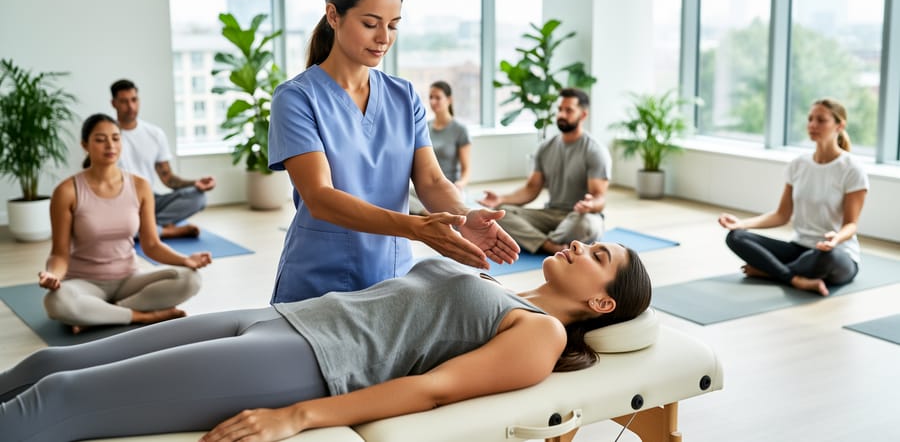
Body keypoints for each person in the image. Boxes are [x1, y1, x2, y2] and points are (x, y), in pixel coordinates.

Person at [0, 240, 651, 441]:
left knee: (63, 395)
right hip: (285, 317)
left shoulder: (539, 334)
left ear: (600, 301)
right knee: (51, 359)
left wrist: (295, 417)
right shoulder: (503, 284)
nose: (578, 242)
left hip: (307, 360)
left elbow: (429, 390)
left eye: (597, 253)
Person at [268, 0, 518, 303]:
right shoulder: (296, 98)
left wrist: (464, 215)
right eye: (370, 24)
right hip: (318, 277)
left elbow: (430, 181)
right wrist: (417, 228)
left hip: (391, 274)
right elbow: (320, 198)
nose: (384, 38)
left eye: (393, 25)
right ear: (333, 15)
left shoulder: (404, 96)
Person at [36, 113, 211, 334]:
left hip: (129, 280)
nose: (110, 145)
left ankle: (101, 315)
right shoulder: (67, 191)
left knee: (189, 279)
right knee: (56, 302)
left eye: (116, 138)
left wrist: (186, 260)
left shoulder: (139, 186)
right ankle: (143, 316)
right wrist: (53, 275)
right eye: (100, 139)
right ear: (85, 145)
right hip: (85, 282)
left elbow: (152, 245)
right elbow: (59, 254)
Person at [718, 98, 869, 296]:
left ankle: (772, 272)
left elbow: (851, 225)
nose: (813, 125)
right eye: (810, 119)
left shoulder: (852, 168)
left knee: (825, 256)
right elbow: (782, 215)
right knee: (736, 237)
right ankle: (795, 278)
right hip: (798, 248)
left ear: (840, 125)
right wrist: (742, 224)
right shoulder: (798, 164)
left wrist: (835, 239)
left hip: (834, 253)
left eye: (821, 120)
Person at [479, 88, 613, 254]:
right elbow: (531, 189)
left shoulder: (595, 151)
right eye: (560, 109)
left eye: (569, 110)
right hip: (550, 214)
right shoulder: (545, 148)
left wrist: (590, 204)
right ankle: (550, 244)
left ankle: (535, 240)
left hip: (580, 216)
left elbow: (600, 198)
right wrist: (501, 198)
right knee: (500, 214)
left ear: (583, 115)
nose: (562, 115)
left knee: (585, 225)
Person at [110, 78, 217, 239]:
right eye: (124, 101)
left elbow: (168, 178)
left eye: (134, 100)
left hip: (150, 200)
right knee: (109, 225)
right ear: (114, 103)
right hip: (121, 204)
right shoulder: (107, 136)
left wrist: (195, 183)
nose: (131, 106)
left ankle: (147, 229)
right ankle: (164, 230)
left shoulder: (154, 134)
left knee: (198, 197)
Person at [409, 80, 472, 215]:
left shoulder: (460, 130)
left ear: (449, 100)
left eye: (438, 97)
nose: (433, 101)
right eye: (431, 97)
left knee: (457, 207)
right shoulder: (424, 127)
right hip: (426, 187)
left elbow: (466, 170)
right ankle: (429, 213)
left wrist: (460, 184)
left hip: (450, 186)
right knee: (402, 196)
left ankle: (430, 213)